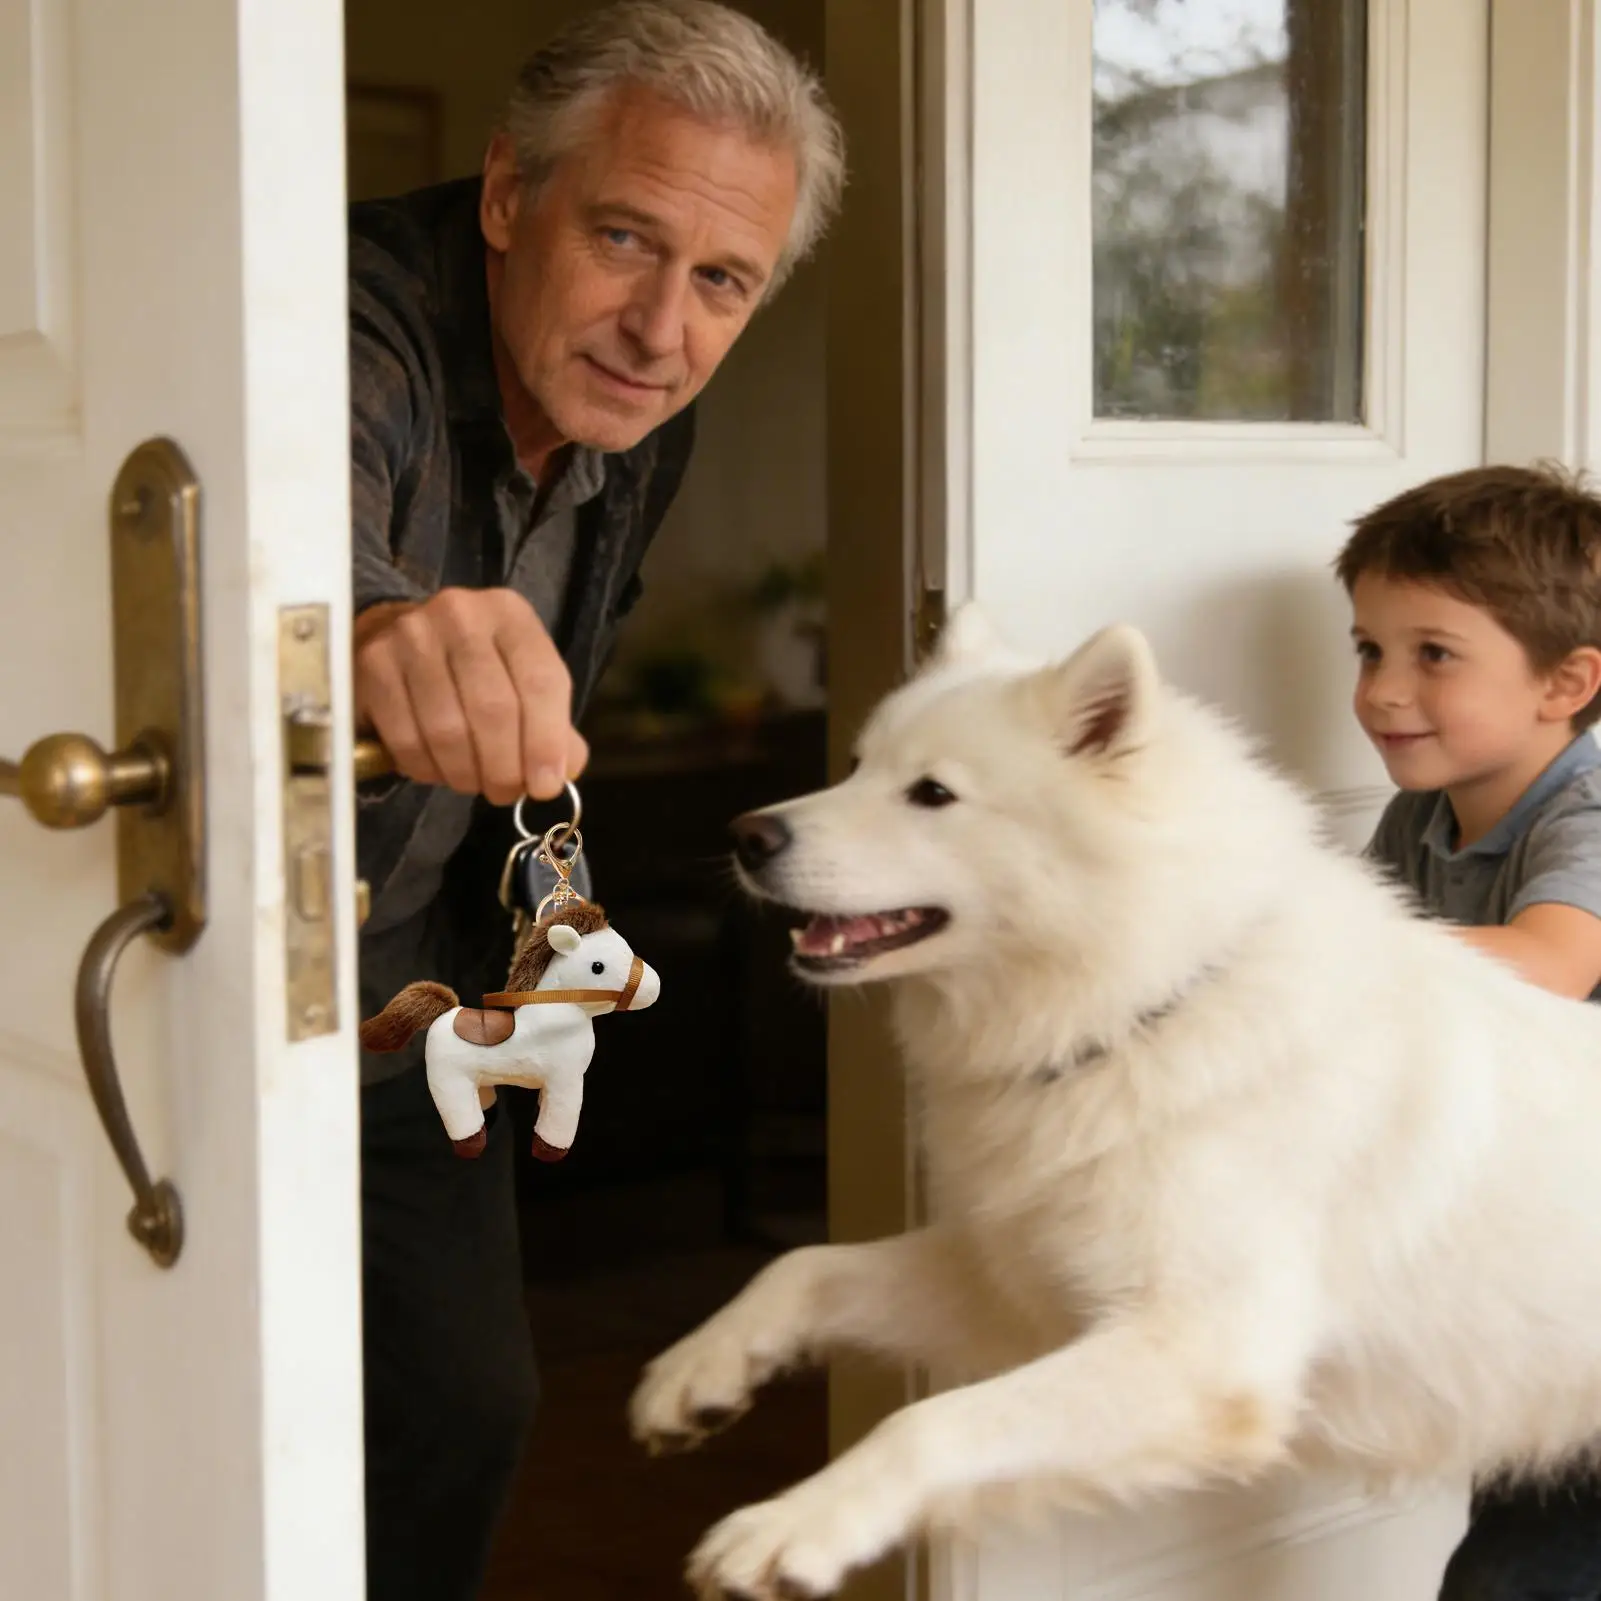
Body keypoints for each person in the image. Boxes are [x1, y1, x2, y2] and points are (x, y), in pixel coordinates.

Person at [345, 5, 845, 1596]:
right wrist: (371, 622)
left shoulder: (644, 420)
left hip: (409, 983)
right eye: (623, 237)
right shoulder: (336, 316)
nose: (660, 326)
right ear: (507, 197)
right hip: (227, 952)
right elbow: (306, 515)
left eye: (722, 281)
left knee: (461, 1404)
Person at [1337, 463, 1601, 1601]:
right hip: (1541, 1260)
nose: (1381, 690)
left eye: (1431, 654)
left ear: (1566, 681)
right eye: (1366, 649)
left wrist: (1299, 963)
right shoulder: (1417, 819)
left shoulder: (1586, 810)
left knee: (1523, 1568)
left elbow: (1547, 965)